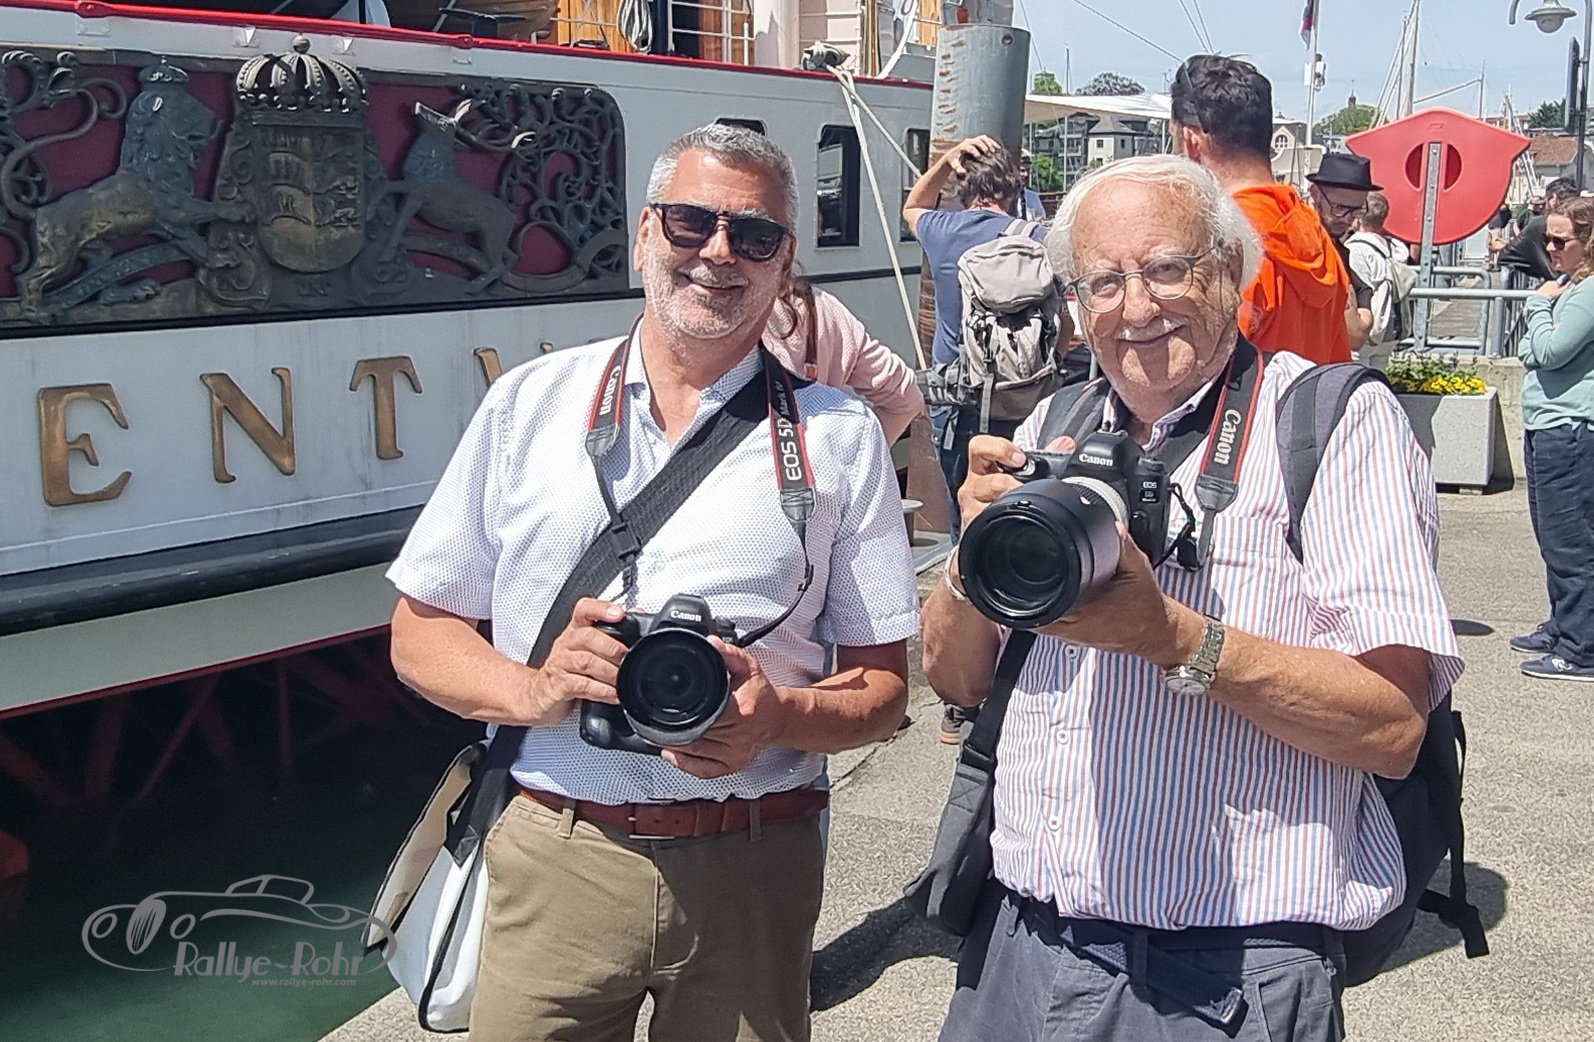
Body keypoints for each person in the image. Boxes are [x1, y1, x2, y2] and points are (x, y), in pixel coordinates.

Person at [385, 124, 920, 1042]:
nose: (719, 252)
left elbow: (883, 689)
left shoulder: (839, 434)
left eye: (755, 235)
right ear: (645, 234)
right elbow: (418, 631)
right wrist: (537, 689)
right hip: (559, 847)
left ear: (784, 263)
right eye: (690, 222)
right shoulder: (529, 404)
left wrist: (775, 718)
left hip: (756, 858)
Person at [923, 154, 1463, 1041]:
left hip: (1224, 973)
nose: (1136, 309)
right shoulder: (1055, 425)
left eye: (1167, 269)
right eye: (1103, 283)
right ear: (1075, 303)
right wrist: (969, 560)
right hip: (1019, 944)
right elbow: (957, 681)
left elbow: (1393, 726)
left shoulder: (1330, 425)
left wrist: (1174, 636)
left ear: (1232, 269)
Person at [1170, 54, 1353, 365]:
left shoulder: (1223, 241)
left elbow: (1206, 369)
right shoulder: (1313, 230)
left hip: (1251, 398)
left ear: (1191, 141)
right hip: (1313, 394)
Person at [1512, 195, 1594, 682]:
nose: (1550, 248)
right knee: (1552, 539)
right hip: (1549, 426)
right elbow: (1530, 349)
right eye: (1548, 239)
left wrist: (1538, 307)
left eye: (1561, 241)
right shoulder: (1567, 287)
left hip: (1570, 430)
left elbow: (1549, 350)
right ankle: (1564, 625)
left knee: (1571, 544)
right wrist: (1543, 317)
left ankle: (1580, 648)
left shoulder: (1583, 294)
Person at [764, 280, 924, 444]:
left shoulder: (820, 312)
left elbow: (906, 399)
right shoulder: (822, 310)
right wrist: (859, 455)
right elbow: (906, 399)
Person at [1306, 154, 1382, 356]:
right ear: (1315, 194)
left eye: (1357, 211)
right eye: (1339, 208)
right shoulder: (1317, 245)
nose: (1348, 220)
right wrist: (1365, 307)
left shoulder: (1334, 245)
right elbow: (1355, 334)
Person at [1345, 191, 1404, 371]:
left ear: (1359, 217)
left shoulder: (1356, 248)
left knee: (1357, 377)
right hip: (1390, 327)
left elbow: (1358, 290)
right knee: (1379, 377)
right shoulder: (1394, 248)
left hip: (1368, 328)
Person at [1500, 177, 1579, 284]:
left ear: (1553, 198)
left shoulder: (1539, 225)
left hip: (1561, 285)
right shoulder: (1586, 220)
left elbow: (1507, 255)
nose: (1550, 247)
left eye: (1559, 241)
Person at [1017, 148, 1048, 221]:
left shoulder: (1033, 196)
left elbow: (1041, 217)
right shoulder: (1006, 198)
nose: (1026, 174)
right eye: (1022, 171)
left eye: (1028, 170)